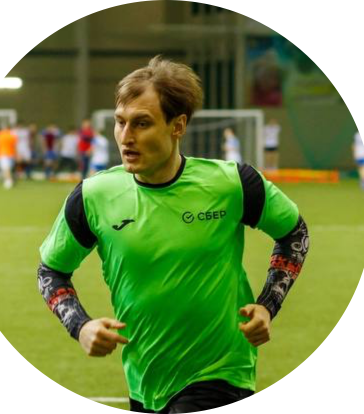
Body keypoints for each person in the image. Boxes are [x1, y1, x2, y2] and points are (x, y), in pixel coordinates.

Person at [38, 56, 309, 412]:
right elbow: (51, 271)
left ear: (177, 125)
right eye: (120, 122)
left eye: (142, 123)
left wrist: (268, 304)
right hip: (144, 379)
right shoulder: (92, 196)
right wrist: (80, 325)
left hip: (221, 373)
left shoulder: (233, 184)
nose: (126, 137)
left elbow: (294, 233)